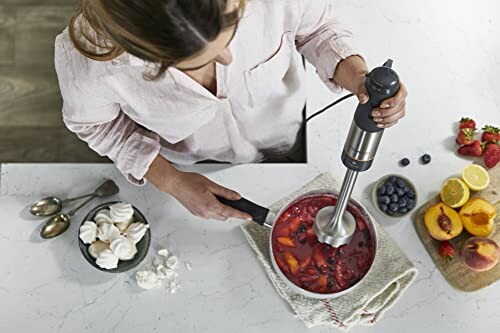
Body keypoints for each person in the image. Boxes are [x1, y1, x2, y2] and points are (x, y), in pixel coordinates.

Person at [54, 0, 408, 221]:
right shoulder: (88, 64)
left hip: (287, 127)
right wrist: (173, 181)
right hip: (195, 161)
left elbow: (317, 29)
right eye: (201, 61)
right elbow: (98, 127)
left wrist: (358, 75)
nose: (227, 59)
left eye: (230, 32)